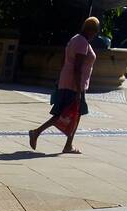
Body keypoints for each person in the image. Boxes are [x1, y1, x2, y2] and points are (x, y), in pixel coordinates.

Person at [29, 17, 99, 154]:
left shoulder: (75, 39)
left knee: (75, 114)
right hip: (74, 85)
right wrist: (78, 90)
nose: (95, 35)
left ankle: (68, 145)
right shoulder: (82, 42)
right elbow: (77, 68)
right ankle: (36, 132)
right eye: (95, 31)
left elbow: (64, 61)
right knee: (63, 113)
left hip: (69, 82)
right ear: (90, 29)